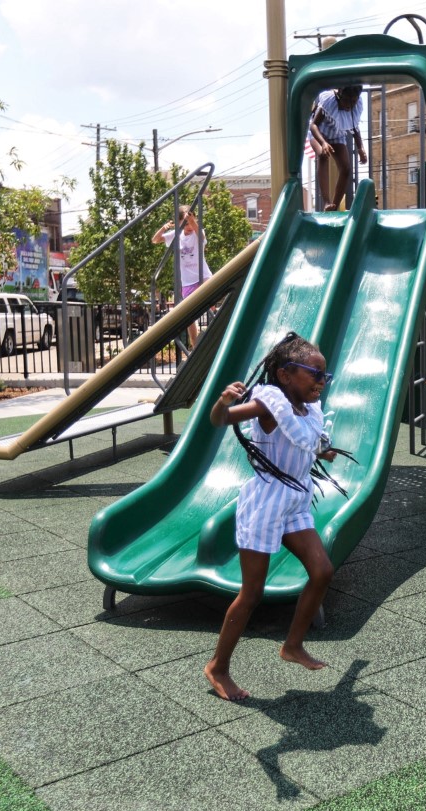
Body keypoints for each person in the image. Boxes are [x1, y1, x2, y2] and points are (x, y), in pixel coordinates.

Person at [204, 333, 344, 701]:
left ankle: (292, 645)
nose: (321, 382)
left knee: (322, 571)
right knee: (252, 593)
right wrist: (222, 401)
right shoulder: (268, 406)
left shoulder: (307, 410)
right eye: (314, 374)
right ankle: (217, 667)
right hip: (265, 502)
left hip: (296, 500)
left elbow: (309, 442)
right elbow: (220, 420)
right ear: (284, 375)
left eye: (324, 376)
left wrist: (323, 452)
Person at [152, 205, 212, 348]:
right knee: (189, 317)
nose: (189, 226)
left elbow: (202, 237)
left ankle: (213, 334)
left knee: (211, 304)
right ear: (179, 223)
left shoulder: (198, 232)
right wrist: (165, 227)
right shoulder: (175, 235)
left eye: (191, 222)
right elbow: (155, 240)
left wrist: (192, 221)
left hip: (203, 276)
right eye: (185, 224)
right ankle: (195, 345)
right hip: (187, 281)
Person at [309, 86, 367, 212]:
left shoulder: (356, 106)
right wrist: (323, 143)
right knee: (323, 155)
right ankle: (326, 202)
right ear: (339, 96)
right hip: (319, 133)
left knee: (346, 168)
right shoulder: (329, 102)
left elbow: (355, 127)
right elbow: (314, 125)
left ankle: (334, 206)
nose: (349, 105)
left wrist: (360, 148)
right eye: (346, 101)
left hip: (337, 135)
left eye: (353, 101)